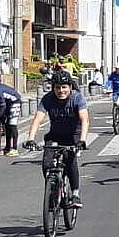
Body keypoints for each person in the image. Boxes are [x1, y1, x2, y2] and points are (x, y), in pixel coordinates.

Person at [24, 71, 90, 209]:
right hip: (55, 135)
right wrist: (30, 139)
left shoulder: (77, 98)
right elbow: (37, 119)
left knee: (70, 160)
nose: (61, 91)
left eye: (64, 87)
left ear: (70, 87)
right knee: (47, 163)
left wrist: (82, 140)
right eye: (58, 87)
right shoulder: (48, 99)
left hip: (73, 136)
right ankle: (53, 189)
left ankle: (75, 194)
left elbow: (85, 119)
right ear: (53, 87)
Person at [0, 74, 22, 156]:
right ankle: (7, 148)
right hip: (9, 103)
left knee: (12, 125)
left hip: (15, 102)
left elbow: (2, 104)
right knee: (7, 125)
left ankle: (15, 149)